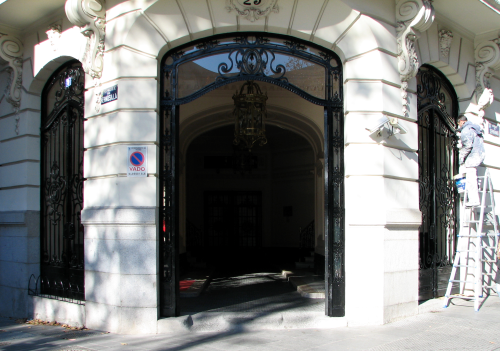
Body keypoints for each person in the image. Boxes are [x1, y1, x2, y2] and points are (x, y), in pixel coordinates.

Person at [457, 115, 485, 207]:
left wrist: (460, 158)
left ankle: (473, 200)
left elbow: (468, 146)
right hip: (479, 154)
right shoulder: (474, 128)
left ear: (462, 122)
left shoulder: (466, 130)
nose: (459, 126)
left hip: (473, 156)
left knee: (471, 178)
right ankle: (474, 198)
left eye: (458, 123)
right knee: (472, 176)